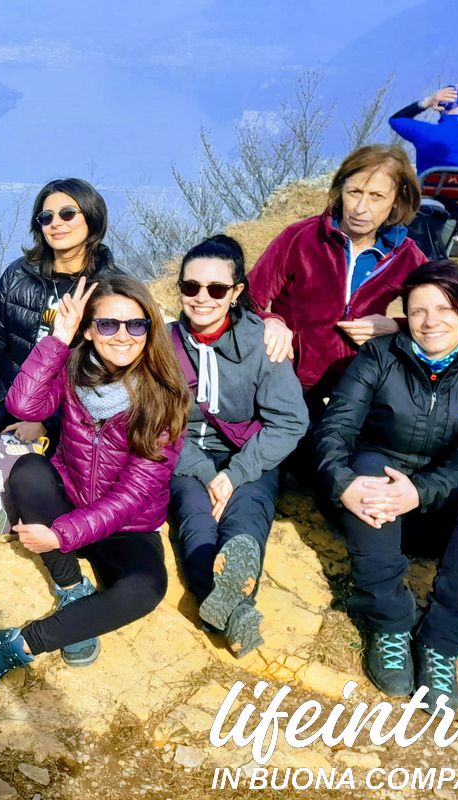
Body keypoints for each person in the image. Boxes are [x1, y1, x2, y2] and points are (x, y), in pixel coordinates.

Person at [0, 275, 188, 704]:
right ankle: (72, 592)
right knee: (27, 469)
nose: (122, 336)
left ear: (150, 329)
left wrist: (59, 536)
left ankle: (17, 646)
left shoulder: (165, 399)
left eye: (135, 325)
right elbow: (23, 407)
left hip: (126, 526)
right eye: (107, 325)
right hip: (70, 496)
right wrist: (57, 341)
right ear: (88, 328)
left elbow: (134, 495)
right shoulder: (73, 369)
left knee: (146, 588)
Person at [316, 261, 458, 713]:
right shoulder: (380, 356)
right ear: (405, 313)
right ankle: (389, 626)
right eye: (418, 310)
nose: (430, 321)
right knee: (369, 467)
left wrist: (420, 492)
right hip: (367, 505)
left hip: (435, 506)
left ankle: (440, 645)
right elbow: (335, 429)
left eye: (445, 308)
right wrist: (342, 482)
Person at [166, 236, 308, 657]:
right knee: (195, 518)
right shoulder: (162, 345)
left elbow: (289, 421)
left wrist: (234, 474)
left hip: (250, 453)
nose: (202, 298)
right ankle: (238, 613)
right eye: (191, 287)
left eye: (216, 289)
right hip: (187, 455)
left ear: (237, 293)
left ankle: (228, 601)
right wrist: (209, 475)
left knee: (247, 517)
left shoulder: (265, 342)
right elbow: (156, 423)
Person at [246, 144, 427, 474]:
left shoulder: (407, 256)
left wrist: (396, 326)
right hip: (293, 384)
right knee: (301, 462)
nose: (361, 207)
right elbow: (245, 301)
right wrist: (271, 321)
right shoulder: (300, 238)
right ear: (339, 189)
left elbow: (454, 325)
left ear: (397, 201)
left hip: (361, 390)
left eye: (376, 196)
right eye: (354, 191)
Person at [0, 177, 120, 473]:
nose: (56, 223)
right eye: (46, 217)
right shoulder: (19, 275)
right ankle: (11, 462)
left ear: (92, 217)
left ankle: (15, 463)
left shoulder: (109, 288)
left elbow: (104, 376)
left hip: (66, 414)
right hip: (7, 395)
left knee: (78, 460)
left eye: (67, 214)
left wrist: (43, 421)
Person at [389, 85, 458, 176]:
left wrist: (427, 102)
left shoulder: (424, 132)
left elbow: (396, 120)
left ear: (439, 107)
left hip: (430, 197)